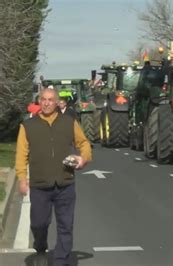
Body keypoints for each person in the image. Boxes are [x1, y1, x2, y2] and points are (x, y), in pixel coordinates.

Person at [15, 88, 92, 265]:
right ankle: (40, 247)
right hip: (40, 185)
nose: (47, 103)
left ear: (57, 102)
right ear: (39, 102)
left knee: (65, 226)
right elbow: (21, 154)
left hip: (65, 184)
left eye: (50, 100)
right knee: (39, 224)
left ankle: (60, 260)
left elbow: (84, 143)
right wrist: (21, 178)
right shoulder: (28, 126)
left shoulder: (69, 122)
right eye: (43, 99)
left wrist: (83, 158)